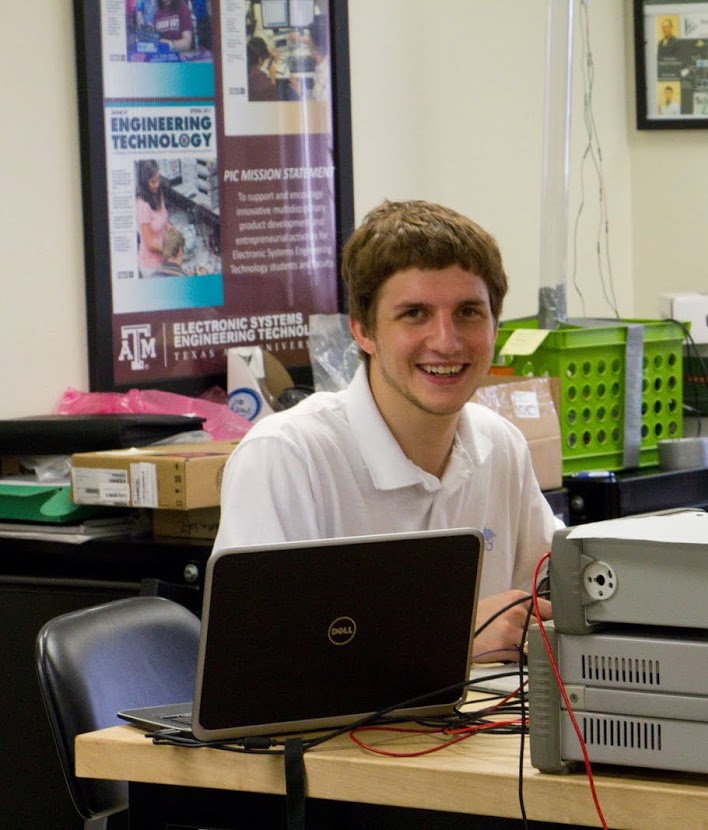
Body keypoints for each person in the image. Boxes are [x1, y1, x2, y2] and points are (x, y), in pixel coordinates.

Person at [214, 200, 559, 663]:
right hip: (337, 738)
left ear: (495, 324)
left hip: (478, 732)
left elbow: (557, 586)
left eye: (469, 312)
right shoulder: (286, 456)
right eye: (414, 313)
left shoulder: (501, 446)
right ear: (362, 331)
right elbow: (257, 663)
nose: (446, 340)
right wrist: (449, 638)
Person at [134, 159, 168, 279]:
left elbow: (164, 221)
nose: (157, 184)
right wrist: (169, 249)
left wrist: (175, 233)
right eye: (153, 181)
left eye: (158, 179)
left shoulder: (158, 193)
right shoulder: (142, 205)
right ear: (144, 182)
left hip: (163, 258)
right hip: (151, 265)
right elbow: (149, 243)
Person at [246, 35, 279, 101]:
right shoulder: (261, 80)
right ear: (260, 59)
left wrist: (268, 54)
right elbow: (273, 100)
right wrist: (273, 77)